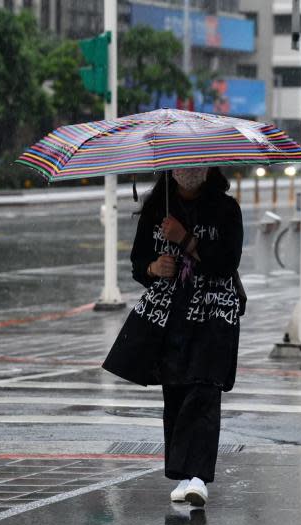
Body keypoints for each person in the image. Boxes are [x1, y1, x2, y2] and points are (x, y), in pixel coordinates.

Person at [103, 166, 243, 506]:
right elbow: (138, 265)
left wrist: (186, 239)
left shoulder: (226, 209)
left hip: (213, 315)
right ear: (171, 170)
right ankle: (182, 474)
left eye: (197, 166)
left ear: (209, 170)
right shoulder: (157, 209)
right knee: (177, 391)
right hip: (170, 318)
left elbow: (227, 263)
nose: (190, 172)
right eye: (183, 167)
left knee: (204, 389)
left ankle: (198, 477)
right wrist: (155, 268)